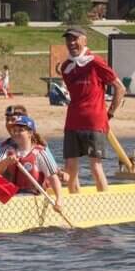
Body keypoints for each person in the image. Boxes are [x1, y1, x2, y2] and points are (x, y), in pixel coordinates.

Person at [57, 26, 123, 193]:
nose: (71, 43)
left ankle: (104, 204)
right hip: (72, 121)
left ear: (84, 40)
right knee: (70, 168)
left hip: (95, 121)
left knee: (95, 166)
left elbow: (120, 88)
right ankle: (74, 202)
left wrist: (110, 113)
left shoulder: (95, 61)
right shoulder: (66, 67)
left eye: (75, 39)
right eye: (68, 39)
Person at [0, 114, 63, 201]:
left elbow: (53, 178)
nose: (16, 133)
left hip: (33, 197)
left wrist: (59, 199)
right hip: (11, 197)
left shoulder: (40, 153)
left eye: (20, 130)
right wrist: (6, 162)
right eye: (14, 130)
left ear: (30, 133)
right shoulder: (6, 150)